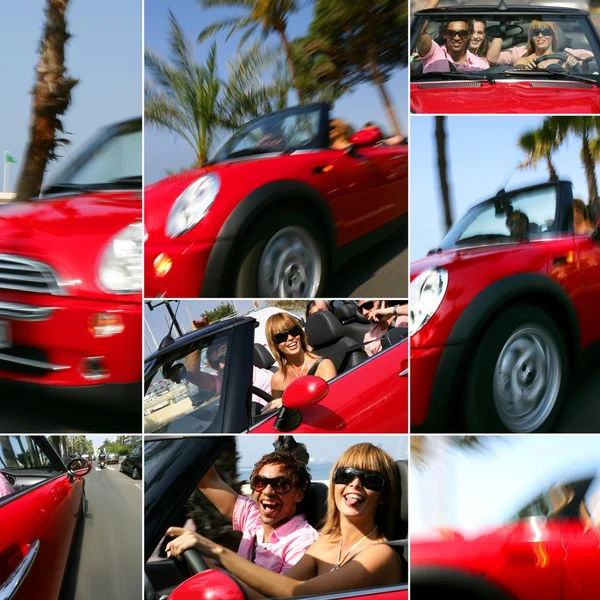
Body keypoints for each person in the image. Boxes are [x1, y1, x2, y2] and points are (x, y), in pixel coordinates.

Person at [166, 442, 402, 598]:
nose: (355, 484)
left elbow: (295, 592)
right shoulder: (325, 544)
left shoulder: (380, 554)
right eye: (346, 475)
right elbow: (271, 595)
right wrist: (213, 569)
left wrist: (216, 551)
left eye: (371, 480)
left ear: (383, 497)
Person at [192, 451, 318, 573]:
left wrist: (210, 559)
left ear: (299, 495)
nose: (268, 492)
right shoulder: (252, 515)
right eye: (261, 482)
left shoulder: (302, 541)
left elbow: (283, 592)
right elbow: (207, 479)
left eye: (281, 485)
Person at [182, 317, 273, 408]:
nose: (220, 366)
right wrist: (197, 339)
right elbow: (191, 375)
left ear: (237, 354)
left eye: (223, 358)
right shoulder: (223, 380)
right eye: (215, 364)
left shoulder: (266, 380)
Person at [260, 313, 336, 413]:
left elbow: (332, 403)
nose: (290, 338)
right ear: (275, 345)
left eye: (293, 331)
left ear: (300, 333)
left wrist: (287, 402)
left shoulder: (324, 365)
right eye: (281, 337)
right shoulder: (277, 380)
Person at [487, 21, 592, 69]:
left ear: (553, 35)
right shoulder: (522, 57)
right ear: (531, 36)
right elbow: (492, 59)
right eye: (535, 32)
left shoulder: (567, 53)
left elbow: (590, 58)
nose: (540, 35)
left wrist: (578, 61)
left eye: (546, 32)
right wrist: (502, 28)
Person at [417, 17, 489, 73]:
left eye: (462, 34)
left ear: (469, 35)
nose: (457, 38)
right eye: (451, 33)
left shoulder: (480, 65)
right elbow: (419, 30)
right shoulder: (433, 54)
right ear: (444, 34)